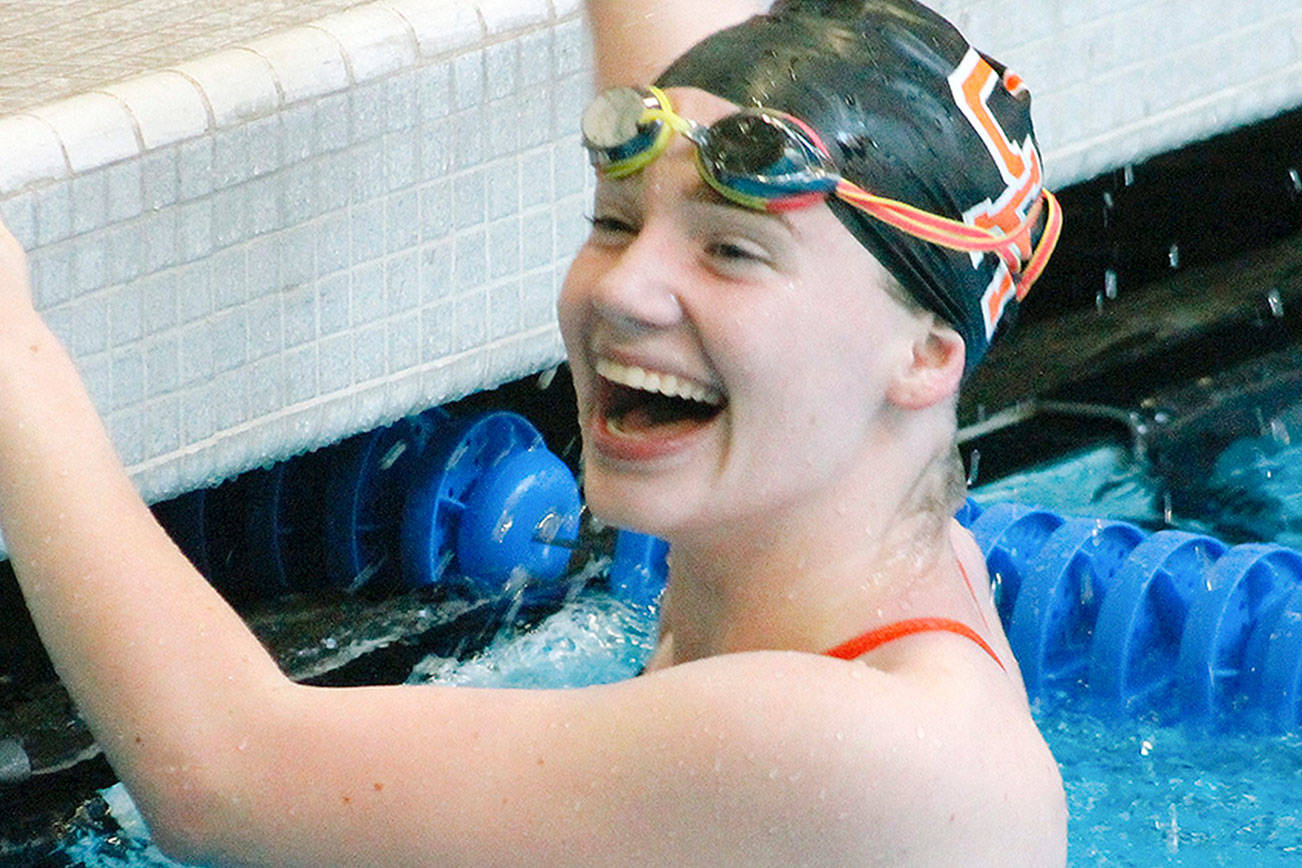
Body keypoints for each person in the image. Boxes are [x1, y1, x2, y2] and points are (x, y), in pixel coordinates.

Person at [0, 0, 1067, 863]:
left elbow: (221, 782)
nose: (627, 291)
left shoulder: (879, 753)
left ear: (927, 355)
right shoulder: (844, 527)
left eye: (733, 254)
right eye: (613, 219)